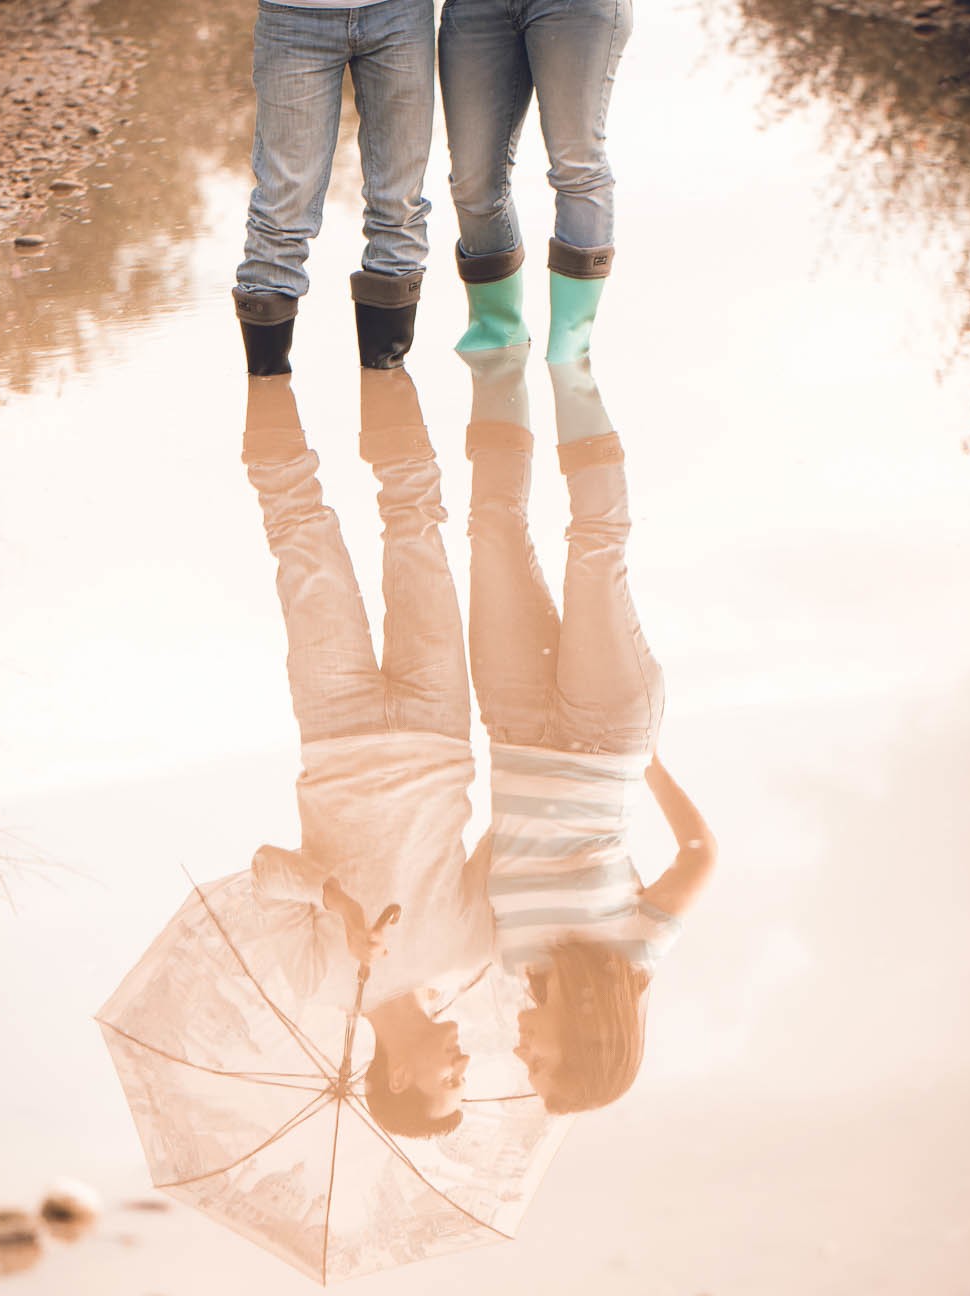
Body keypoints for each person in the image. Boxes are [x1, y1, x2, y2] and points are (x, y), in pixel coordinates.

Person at [238, 365, 493, 1136]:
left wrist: (340, 907)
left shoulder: (321, 982)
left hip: (336, 728)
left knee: (298, 528)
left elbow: (264, 874)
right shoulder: (472, 956)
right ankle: (384, 345)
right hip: (439, 724)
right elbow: (509, 831)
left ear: (399, 1077)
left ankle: (266, 349)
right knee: (416, 517)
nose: (463, 1069)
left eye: (447, 1085)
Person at [463, 347, 717, 1111]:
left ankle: (494, 361)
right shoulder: (633, 956)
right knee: (593, 545)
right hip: (607, 734)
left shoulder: (510, 961)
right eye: (539, 1067)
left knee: (490, 528)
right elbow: (699, 854)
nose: (521, 1057)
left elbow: (487, 851)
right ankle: (571, 363)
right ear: (579, 1047)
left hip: (512, 725)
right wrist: (648, 765)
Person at [233, 0, 437, 376]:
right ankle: (267, 392)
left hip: (401, 14)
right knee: (281, 209)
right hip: (293, 17)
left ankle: (386, 395)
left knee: (399, 206)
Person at [437, 0, 632, 360]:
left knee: (577, 166)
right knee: (472, 181)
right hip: (476, 9)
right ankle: (495, 334)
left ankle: (570, 351)